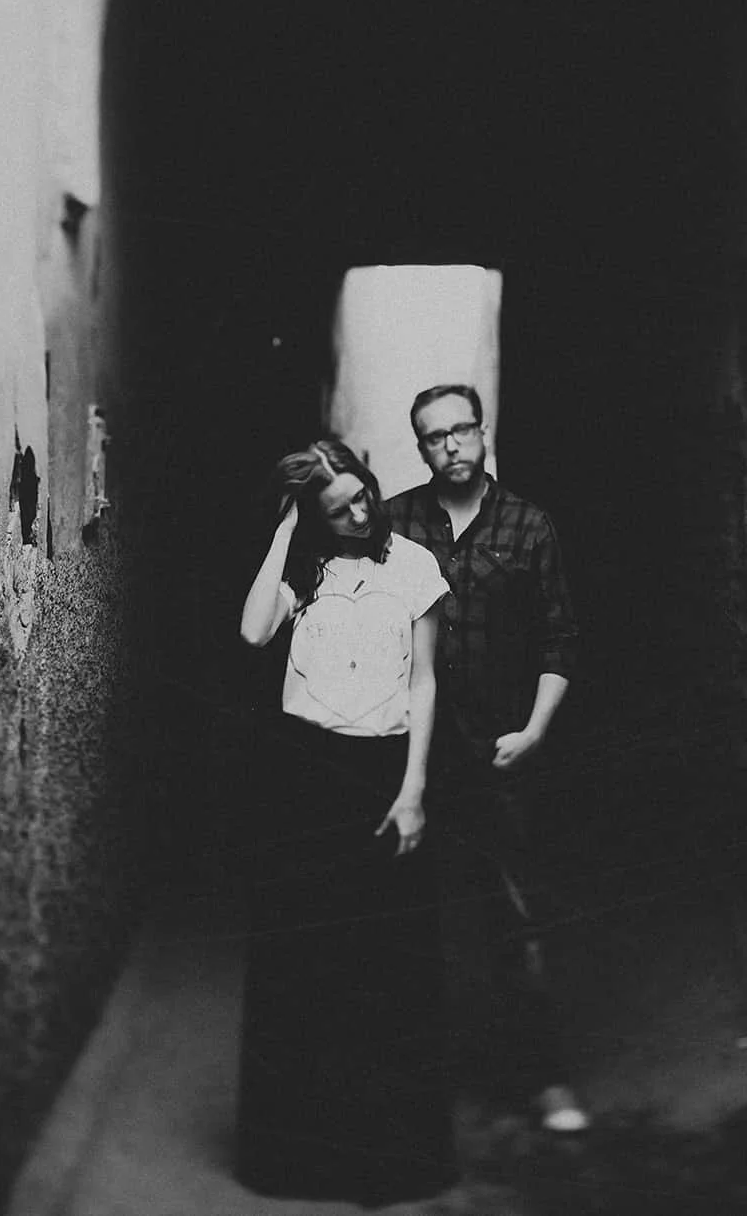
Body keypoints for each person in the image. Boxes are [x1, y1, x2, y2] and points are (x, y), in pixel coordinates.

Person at [235, 437, 458, 1205]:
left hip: (384, 773)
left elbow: (425, 680)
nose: (360, 514)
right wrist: (285, 532)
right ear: (314, 518)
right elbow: (253, 632)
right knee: (305, 964)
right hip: (303, 778)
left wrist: (413, 789)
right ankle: (295, 1160)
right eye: (338, 510)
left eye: (362, 495)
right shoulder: (305, 571)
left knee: (388, 966)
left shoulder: (413, 567)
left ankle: (390, 1160)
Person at [387, 383, 589, 1134]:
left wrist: (534, 730)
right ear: (421, 447)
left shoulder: (529, 526)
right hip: (412, 750)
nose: (451, 445)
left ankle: (543, 1080)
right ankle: (407, 1085)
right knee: (406, 915)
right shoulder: (396, 523)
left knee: (513, 911)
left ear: (482, 432)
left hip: (500, 749)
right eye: (435, 436)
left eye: (462, 430)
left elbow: (559, 639)